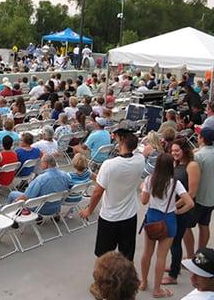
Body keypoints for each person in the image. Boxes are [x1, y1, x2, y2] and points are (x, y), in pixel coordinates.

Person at [79, 121, 145, 261]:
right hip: (130, 215)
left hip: (110, 217)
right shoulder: (140, 159)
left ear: (121, 140)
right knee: (127, 255)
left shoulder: (109, 165)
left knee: (103, 256)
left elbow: (98, 192)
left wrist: (89, 210)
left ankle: (103, 281)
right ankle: (126, 280)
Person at [139, 153, 194, 298]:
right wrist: (178, 211)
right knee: (161, 257)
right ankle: (157, 290)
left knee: (147, 252)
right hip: (168, 220)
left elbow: (144, 201)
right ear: (171, 166)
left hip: (152, 218)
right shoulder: (175, 183)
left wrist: (143, 189)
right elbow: (190, 203)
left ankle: (144, 282)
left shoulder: (149, 180)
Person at [164, 138, 201, 285]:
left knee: (175, 240)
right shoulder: (177, 164)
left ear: (185, 150)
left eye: (177, 150)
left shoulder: (192, 166)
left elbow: (191, 193)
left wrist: (174, 206)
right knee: (174, 240)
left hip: (183, 209)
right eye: (172, 151)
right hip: (175, 207)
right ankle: (175, 266)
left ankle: (173, 274)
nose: (174, 153)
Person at [185, 128, 214, 258]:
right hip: (213, 196)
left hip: (200, 197)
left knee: (185, 227)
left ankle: (190, 256)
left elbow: (194, 176)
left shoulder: (198, 156)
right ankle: (200, 254)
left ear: (201, 138)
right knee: (204, 225)